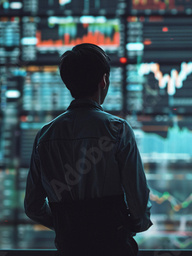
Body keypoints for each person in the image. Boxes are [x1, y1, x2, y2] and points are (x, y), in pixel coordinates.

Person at [24, 43, 152, 256]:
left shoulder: (44, 136)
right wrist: (133, 225)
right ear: (103, 80)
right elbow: (138, 205)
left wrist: (66, 224)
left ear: (68, 83)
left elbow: (32, 207)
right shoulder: (117, 130)